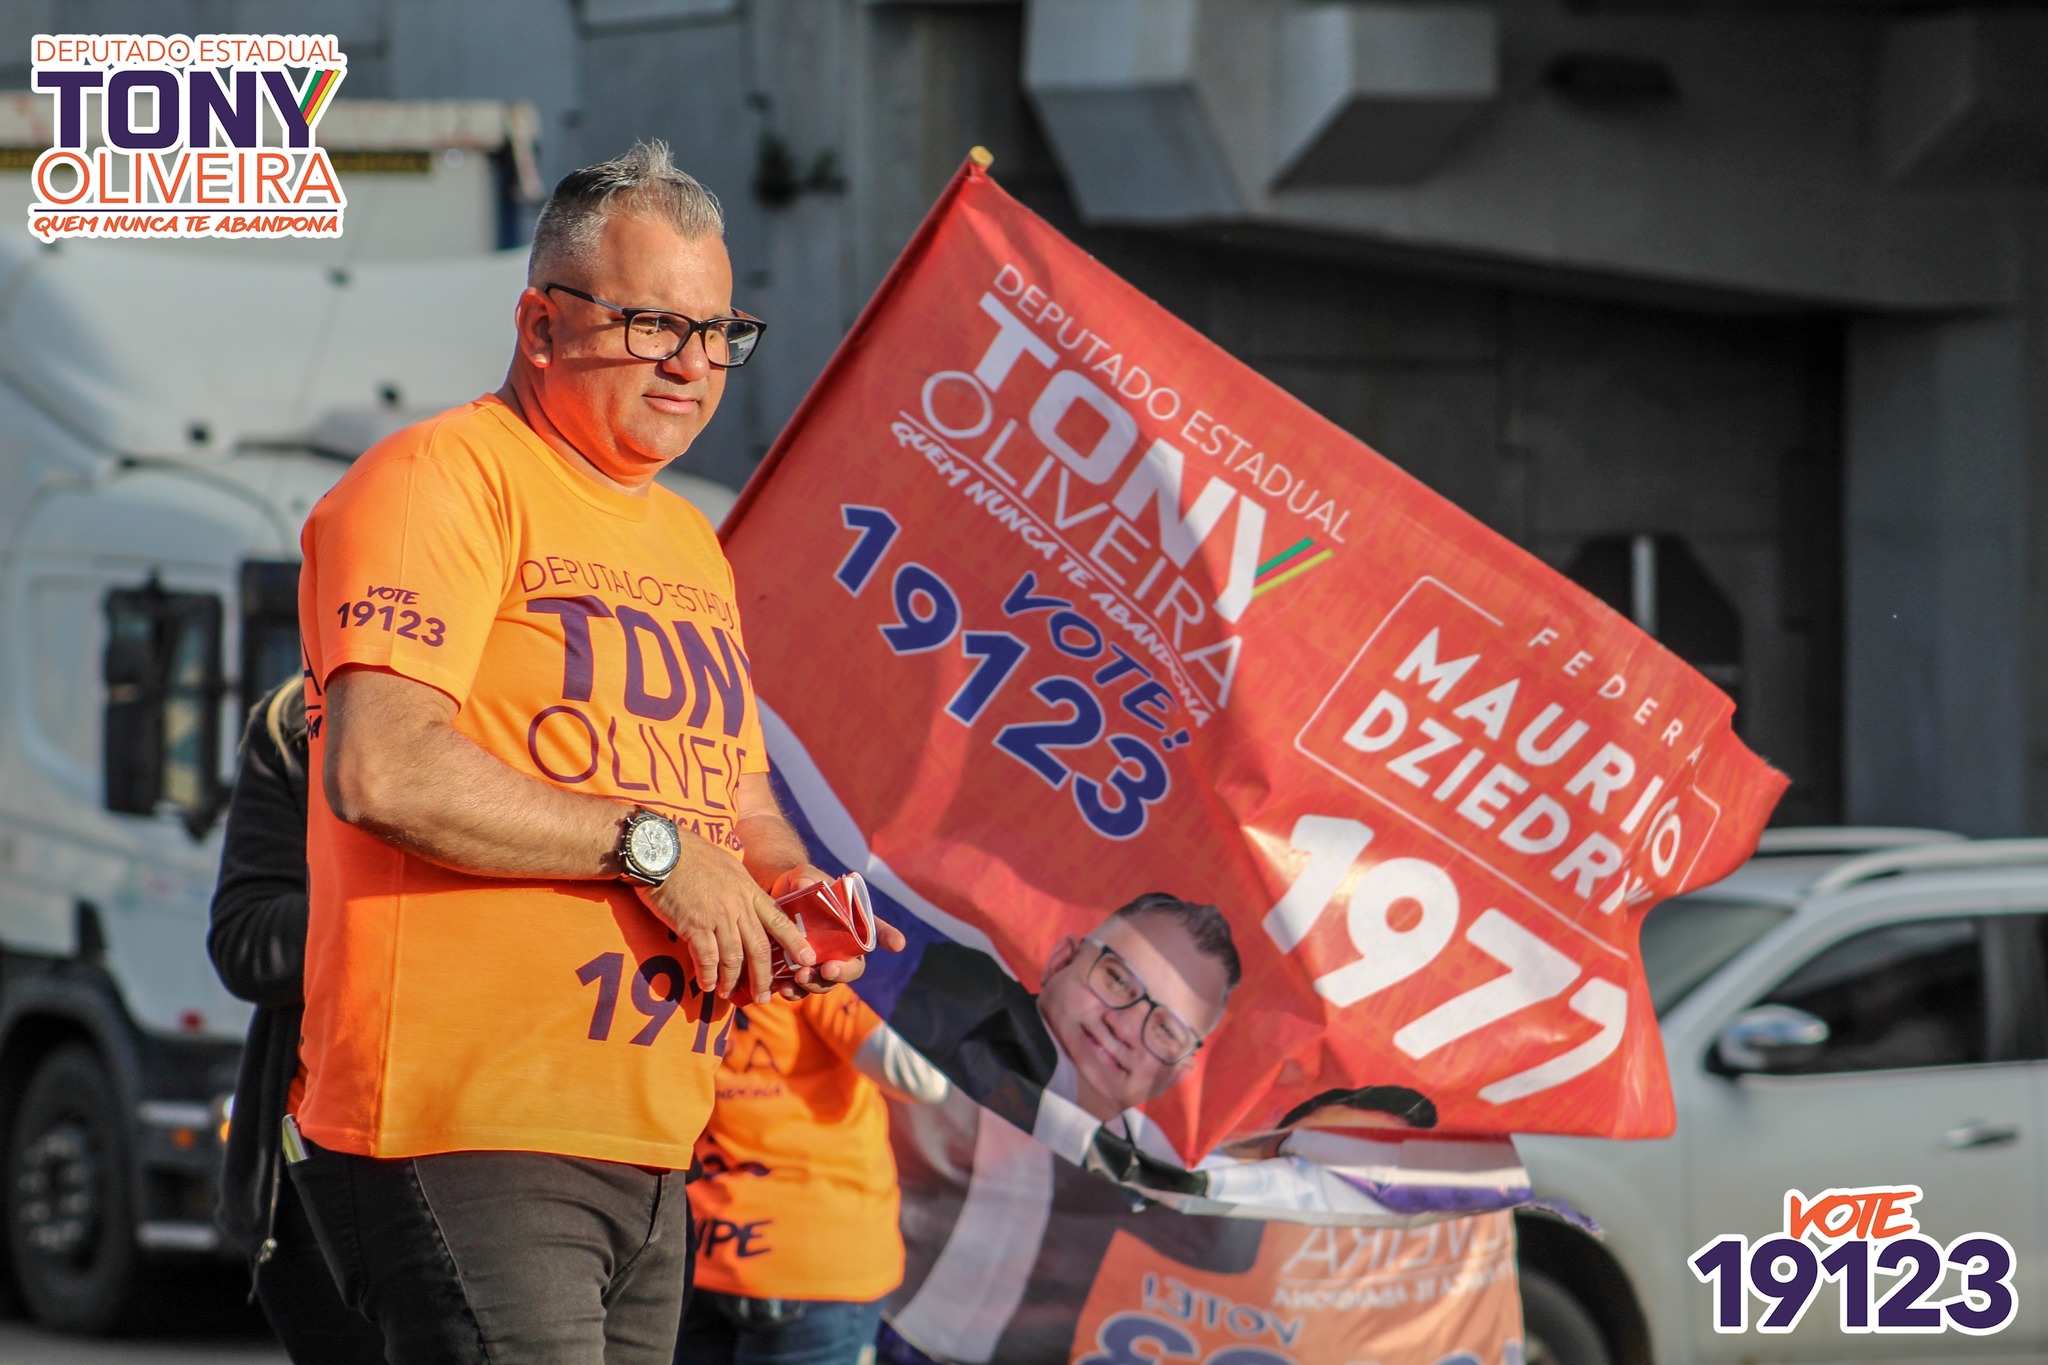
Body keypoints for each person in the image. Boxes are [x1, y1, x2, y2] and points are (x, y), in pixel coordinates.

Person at [286, 141, 900, 1365]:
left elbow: (729, 796)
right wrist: (655, 850)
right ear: (539, 322)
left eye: (719, 331)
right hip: (466, 1123)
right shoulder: (437, 480)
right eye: (649, 324)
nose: (691, 363)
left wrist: (793, 894)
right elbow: (384, 769)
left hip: (655, 1132)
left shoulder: (688, 543)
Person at [881, 895, 1250, 1364]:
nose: (1125, 1025)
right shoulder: (930, 1023)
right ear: (1063, 959)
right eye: (1117, 979)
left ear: (1178, 1072)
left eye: (1164, 1029)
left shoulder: (1172, 1188)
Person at [209, 680, 387, 1365]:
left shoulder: (563, 721)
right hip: (329, 1161)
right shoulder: (294, 720)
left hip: (536, 1155)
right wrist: (393, 906)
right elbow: (245, 941)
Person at [678, 989, 936, 1365]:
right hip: (807, 1259)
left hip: (701, 1249)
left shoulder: (675, 949)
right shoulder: (815, 958)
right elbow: (923, 1075)